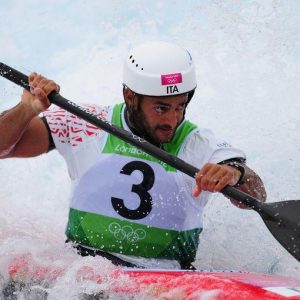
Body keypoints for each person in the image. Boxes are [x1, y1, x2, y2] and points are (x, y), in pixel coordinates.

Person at [0, 41, 266, 270]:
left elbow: (255, 197)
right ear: (130, 96)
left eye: (180, 107)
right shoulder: (86, 124)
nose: (172, 120)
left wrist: (234, 173)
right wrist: (27, 109)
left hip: (166, 278)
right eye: (161, 108)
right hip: (82, 270)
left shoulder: (199, 143)